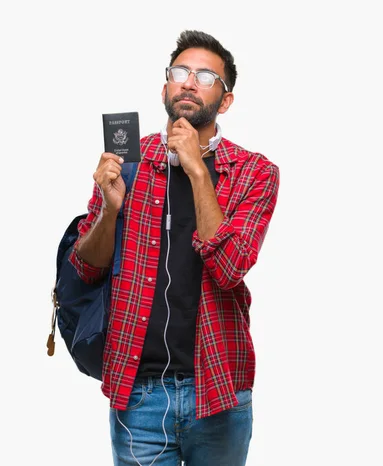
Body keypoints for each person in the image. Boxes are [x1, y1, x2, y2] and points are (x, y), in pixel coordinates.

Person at [69, 30, 280, 465]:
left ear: (225, 102)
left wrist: (199, 172)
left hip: (218, 389)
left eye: (205, 76)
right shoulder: (126, 163)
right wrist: (110, 210)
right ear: (165, 87)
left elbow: (230, 267)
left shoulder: (256, 173)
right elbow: (87, 269)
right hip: (138, 393)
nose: (189, 82)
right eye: (180, 72)